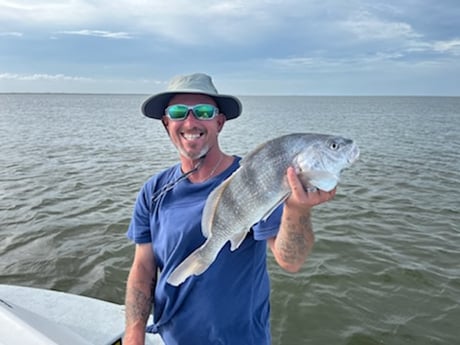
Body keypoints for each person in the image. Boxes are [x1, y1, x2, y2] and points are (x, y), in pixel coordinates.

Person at [124, 73, 336, 345]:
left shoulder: (257, 178)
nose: (190, 121)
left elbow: (290, 260)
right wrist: (134, 333)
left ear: (219, 122)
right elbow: (142, 267)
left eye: (203, 111)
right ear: (167, 123)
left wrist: (297, 209)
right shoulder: (153, 191)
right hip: (170, 339)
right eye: (178, 112)